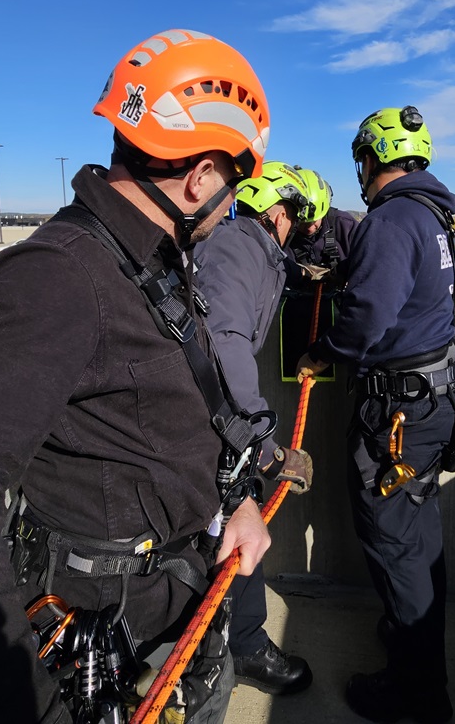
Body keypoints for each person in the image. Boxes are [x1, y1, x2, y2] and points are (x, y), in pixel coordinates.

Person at [0, 28, 275, 724]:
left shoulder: (153, 266)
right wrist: (27, 700)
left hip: (174, 612)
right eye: (234, 184)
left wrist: (241, 502)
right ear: (199, 176)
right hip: (99, 646)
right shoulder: (56, 278)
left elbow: (188, 411)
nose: (232, 205)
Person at [296, 106, 455, 723]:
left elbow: (365, 320)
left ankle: (418, 693)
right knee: (421, 540)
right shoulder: (432, 215)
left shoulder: (393, 220)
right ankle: (413, 639)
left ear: (371, 157)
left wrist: (320, 353)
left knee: (393, 543)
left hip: (397, 415)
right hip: (430, 406)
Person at [195, 161, 314, 696]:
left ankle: (227, 639)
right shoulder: (235, 248)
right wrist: (262, 443)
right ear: (274, 211)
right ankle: (242, 646)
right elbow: (224, 339)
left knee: (228, 531)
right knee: (236, 530)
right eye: (293, 216)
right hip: (211, 424)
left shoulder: (254, 248)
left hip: (213, 418)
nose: (295, 226)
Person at [284, 166, 358, 292]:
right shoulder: (283, 234)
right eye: (301, 223)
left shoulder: (346, 226)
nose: (309, 229)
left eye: (313, 221)